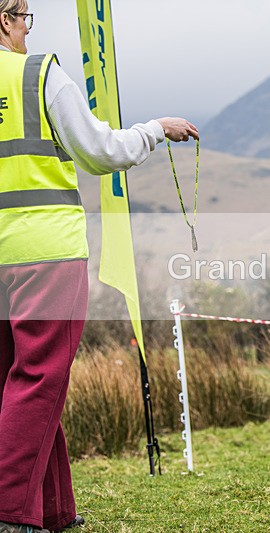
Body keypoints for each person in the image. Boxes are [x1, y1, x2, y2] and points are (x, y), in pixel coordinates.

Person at [0, 2, 198, 531]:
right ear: (5, 19)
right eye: (25, 18)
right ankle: (10, 512)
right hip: (45, 251)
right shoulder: (38, 73)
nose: (27, 31)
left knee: (16, 383)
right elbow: (100, 152)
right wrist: (155, 129)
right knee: (39, 379)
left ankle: (54, 510)